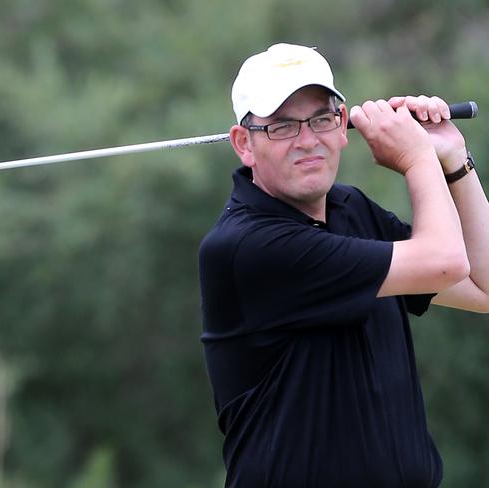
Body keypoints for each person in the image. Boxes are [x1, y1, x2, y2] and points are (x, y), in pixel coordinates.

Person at [198, 43, 489, 488]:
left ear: (342, 127)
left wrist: (452, 159)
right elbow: (445, 263)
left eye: (320, 119)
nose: (308, 140)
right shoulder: (247, 246)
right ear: (244, 144)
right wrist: (415, 158)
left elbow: (482, 287)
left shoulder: (351, 209)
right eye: (282, 126)